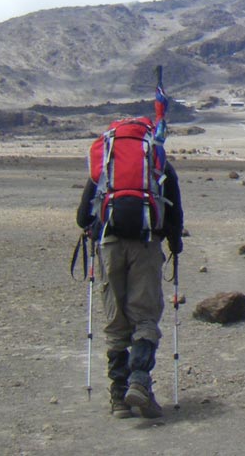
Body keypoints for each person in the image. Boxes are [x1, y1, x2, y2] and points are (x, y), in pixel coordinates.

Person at [75, 119, 184, 420]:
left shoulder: (106, 163)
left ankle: (118, 397)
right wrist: (175, 244)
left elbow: (83, 215)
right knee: (145, 316)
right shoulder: (158, 161)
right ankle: (139, 381)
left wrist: (95, 229)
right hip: (146, 245)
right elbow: (175, 211)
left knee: (116, 320)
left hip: (109, 246)